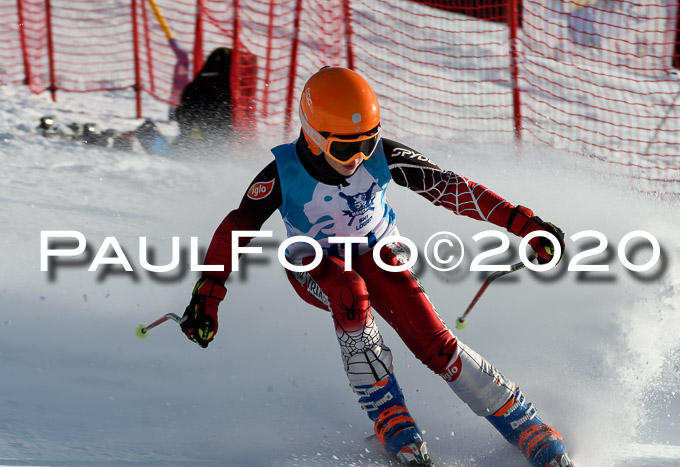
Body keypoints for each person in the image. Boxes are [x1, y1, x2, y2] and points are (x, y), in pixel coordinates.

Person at [179, 66, 574, 467]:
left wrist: (522, 223)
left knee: (433, 341)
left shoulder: (382, 156)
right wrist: (208, 294)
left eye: (368, 142)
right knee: (350, 290)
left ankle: (520, 419)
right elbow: (237, 228)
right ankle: (389, 413)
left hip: (377, 251)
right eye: (344, 149)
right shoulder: (282, 174)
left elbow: (451, 189)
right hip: (315, 264)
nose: (359, 158)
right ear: (314, 138)